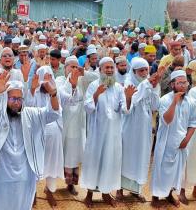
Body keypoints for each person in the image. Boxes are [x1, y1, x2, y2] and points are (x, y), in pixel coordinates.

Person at [0, 71, 61, 210]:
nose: (16, 103)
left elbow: (53, 113)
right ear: (5, 99)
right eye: (12, 98)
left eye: (19, 99)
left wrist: (53, 94)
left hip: (24, 177)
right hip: (0, 176)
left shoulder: (31, 114)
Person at [81, 57, 135, 208]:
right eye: (107, 68)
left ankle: (105, 193)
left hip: (113, 135)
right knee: (94, 162)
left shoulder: (118, 87)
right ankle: (89, 195)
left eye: (112, 68)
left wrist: (129, 98)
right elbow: (88, 108)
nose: (110, 70)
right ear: (100, 70)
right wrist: (96, 95)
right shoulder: (93, 85)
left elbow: (125, 109)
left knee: (109, 163)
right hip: (97, 134)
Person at [117, 57, 161, 202]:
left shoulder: (149, 84)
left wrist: (154, 88)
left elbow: (155, 106)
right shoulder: (129, 84)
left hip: (145, 129)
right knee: (126, 157)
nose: (144, 73)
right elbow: (132, 102)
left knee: (141, 156)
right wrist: (148, 84)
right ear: (134, 71)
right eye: (141, 70)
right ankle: (119, 190)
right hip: (130, 129)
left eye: (146, 70)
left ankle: (136, 190)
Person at [151, 70, 196, 208]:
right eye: (180, 83)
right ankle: (155, 198)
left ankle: (169, 194)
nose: (183, 86)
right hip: (166, 142)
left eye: (185, 83)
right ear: (172, 85)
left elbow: (193, 123)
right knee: (161, 169)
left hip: (182, 143)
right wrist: (174, 102)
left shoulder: (191, 101)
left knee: (176, 172)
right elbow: (166, 120)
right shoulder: (165, 100)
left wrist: (187, 140)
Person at [55, 56, 98, 195]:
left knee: (73, 155)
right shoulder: (60, 80)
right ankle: (51, 185)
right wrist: (72, 85)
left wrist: (84, 72)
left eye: (75, 67)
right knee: (59, 154)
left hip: (78, 125)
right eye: (71, 67)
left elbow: (98, 76)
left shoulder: (82, 79)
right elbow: (62, 96)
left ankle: (71, 185)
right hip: (63, 124)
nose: (73, 69)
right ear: (65, 68)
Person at [26, 66, 64, 207]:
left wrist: (52, 92)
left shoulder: (54, 91)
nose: (47, 80)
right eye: (45, 77)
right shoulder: (34, 91)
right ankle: (32, 193)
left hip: (54, 133)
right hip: (37, 133)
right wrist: (32, 90)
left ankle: (50, 191)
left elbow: (57, 110)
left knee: (52, 164)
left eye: (50, 77)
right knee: (34, 163)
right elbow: (28, 107)